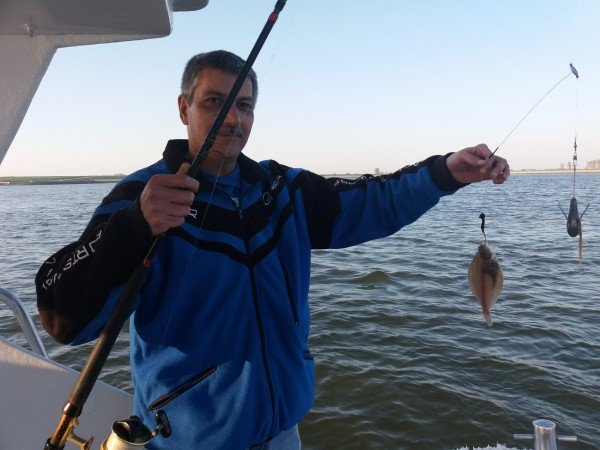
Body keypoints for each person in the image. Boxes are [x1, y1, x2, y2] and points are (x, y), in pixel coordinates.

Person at [36, 50, 510, 450]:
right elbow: (64, 318)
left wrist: (446, 173)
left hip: (284, 433)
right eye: (215, 102)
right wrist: (135, 225)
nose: (232, 119)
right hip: (189, 440)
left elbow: (373, 200)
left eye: (244, 105)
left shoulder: (281, 190)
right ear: (184, 109)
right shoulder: (144, 195)